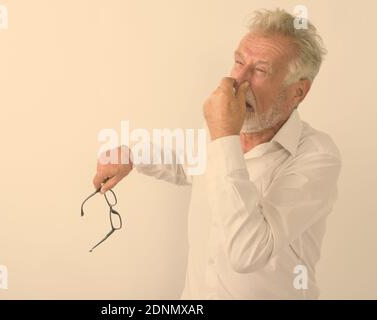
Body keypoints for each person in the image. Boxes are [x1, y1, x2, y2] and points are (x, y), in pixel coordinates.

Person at [92, 8, 341, 299]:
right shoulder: (221, 130)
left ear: (298, 92)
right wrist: (131, 154)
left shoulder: (317, 156)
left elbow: (248, 253)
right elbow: (186, 163)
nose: (239, 80)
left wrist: (224, 135)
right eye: (238, 62)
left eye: (260, 70)